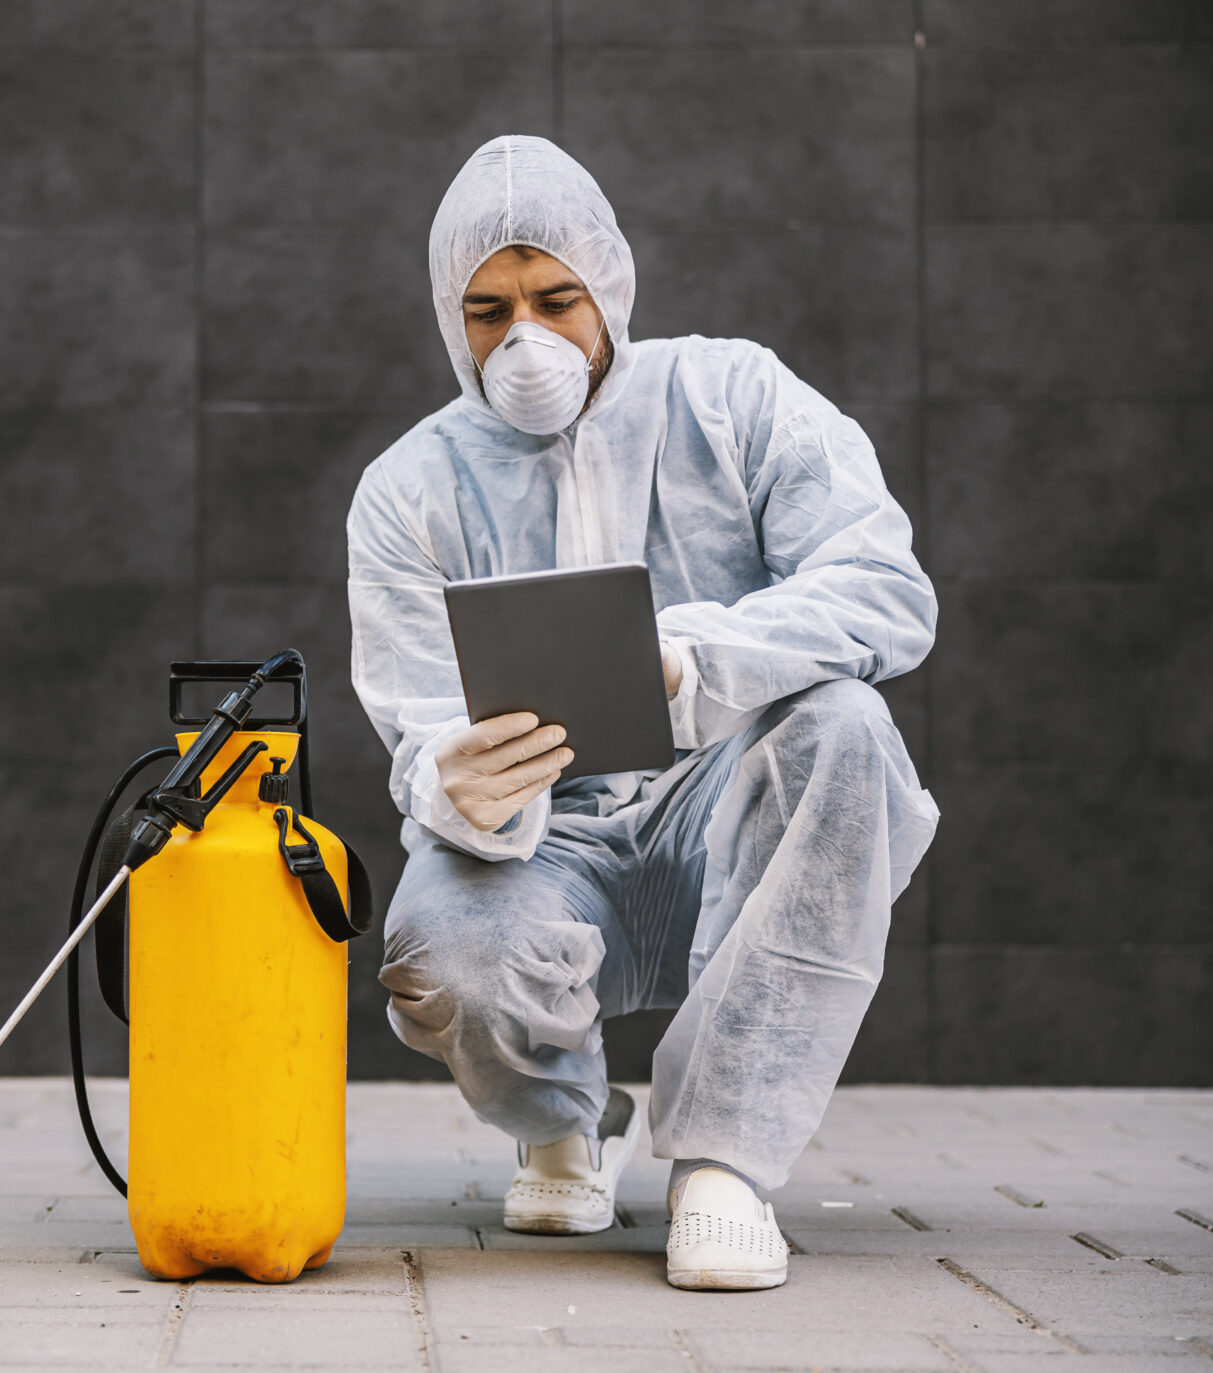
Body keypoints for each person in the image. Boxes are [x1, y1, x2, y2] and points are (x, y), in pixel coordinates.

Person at [347, 136, 939, 1291]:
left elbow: (881, 588)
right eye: (487, 310)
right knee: (438, 949)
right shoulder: (407, 488)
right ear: (449, 318)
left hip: (727, 813)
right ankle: (565, 1122)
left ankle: (721, 1164)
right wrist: (442, 779)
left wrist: (690, 657)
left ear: (607, 284)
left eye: (554, 299)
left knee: (843, 726)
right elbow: (415, 706)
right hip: (544, 846)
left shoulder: (732, 396)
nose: (523, 338)